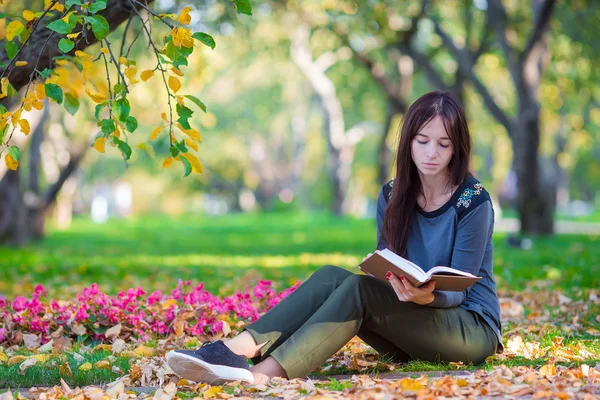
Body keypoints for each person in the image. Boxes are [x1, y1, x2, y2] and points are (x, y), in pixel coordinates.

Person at [166, 91, 503, 385]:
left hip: (470, 329)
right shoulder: (393, 194)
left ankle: (261, 375)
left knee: (358, 290)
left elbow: (460, 293)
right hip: (415, 325)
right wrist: (396, 283)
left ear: (457, 148)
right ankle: (234, 350)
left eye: (443, 144)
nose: (432, 153)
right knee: (332, 276)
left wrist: (425, 297)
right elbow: (387, 265)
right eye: (422, 140)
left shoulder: (473, 201)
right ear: (408, 141)